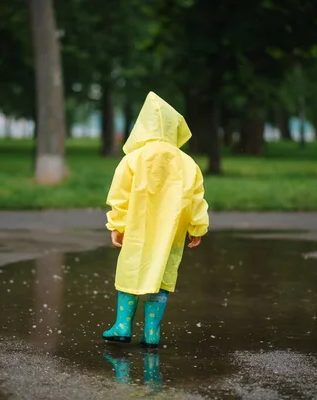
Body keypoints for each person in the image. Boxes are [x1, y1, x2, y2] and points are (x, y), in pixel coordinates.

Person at [103, 91, 210, 348]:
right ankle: (152, 332)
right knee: (163, 275)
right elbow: (196, 198)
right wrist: (197, 227)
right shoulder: (188, 164)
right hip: (171, 233)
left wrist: (117, 225)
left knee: (130, 272)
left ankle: (122, 325)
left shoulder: (133, 160)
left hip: (137, 231)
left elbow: (120, 195)